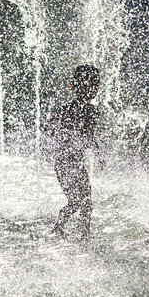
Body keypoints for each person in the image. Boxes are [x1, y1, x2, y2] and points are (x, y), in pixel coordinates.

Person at [46, 65, 103, 239]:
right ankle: (79, 233)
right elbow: (88, 136)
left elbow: (50, 130)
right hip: (71, 163)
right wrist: (98, 154)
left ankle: (63, 229)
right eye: (90, 85)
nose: (90, 90)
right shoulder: (91, 111)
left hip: (65, 163)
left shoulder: (64, 110)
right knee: (82, 202)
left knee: (80, 201)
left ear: (72, 85)